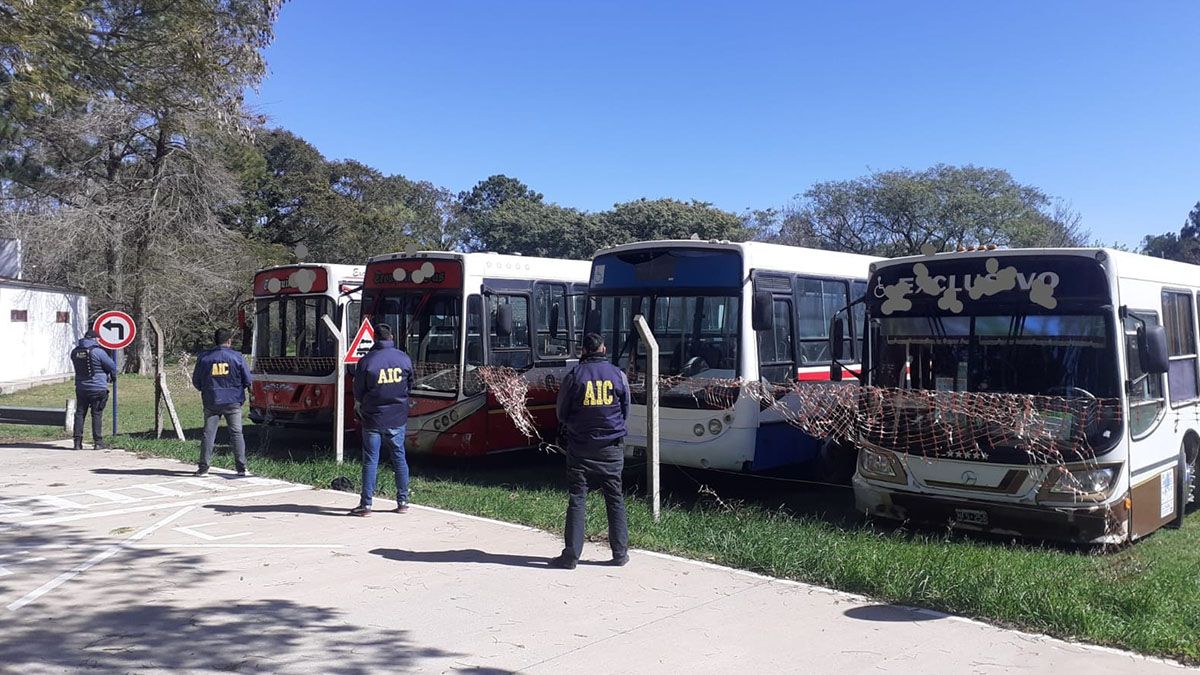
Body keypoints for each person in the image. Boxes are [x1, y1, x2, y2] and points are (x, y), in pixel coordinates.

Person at [550, 333, 631, 569]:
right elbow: (625, 410)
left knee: (577, 499)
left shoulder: (574, 376)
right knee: (614, 498)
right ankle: (619, 553)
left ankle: (571, 556)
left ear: (583, 350)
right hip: (611, 448)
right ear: (603, 348)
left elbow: (562, 413)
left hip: (580, 448)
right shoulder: (618, 374)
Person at [348, 323, 414, 517]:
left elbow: (359, 391)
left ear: (375, 338)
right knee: (399, 458)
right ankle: (403, 502)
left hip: (373, 419)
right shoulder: (404, 358)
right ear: (391, 336)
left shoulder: (367, 362)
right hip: (397, 417)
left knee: (370, 460)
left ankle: (366, 505)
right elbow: (409, 385)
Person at [192, 328, 253, 477]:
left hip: (211, 400)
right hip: (233, 401)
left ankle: (203, 468)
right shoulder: (237, 357)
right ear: (229, 341)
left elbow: (196, 381)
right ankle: (241, 468)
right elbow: (248, 380)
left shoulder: (204, 358)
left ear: (215, 341)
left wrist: (207, 390)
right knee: (236, 433)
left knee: (208, 434)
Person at [69, 329, 117, 450]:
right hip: (98, 387)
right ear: (94, 339)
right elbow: (112, 366)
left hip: (81, 387)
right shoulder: (98, 352)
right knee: (96, 414)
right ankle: (98, 442)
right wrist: (112, 376)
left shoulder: (74, 352)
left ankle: (77, 442)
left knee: (80, 413)